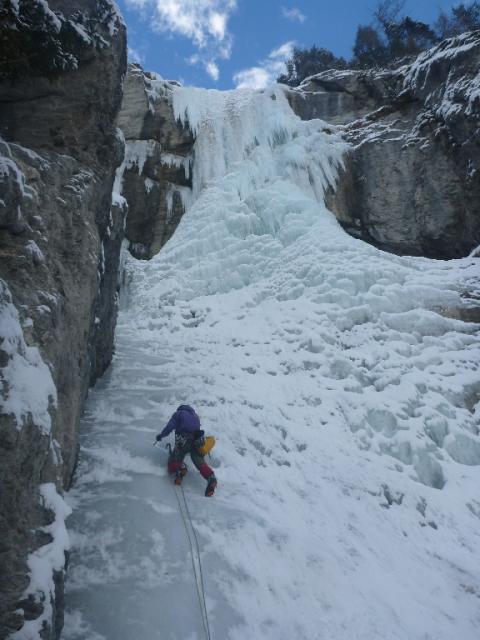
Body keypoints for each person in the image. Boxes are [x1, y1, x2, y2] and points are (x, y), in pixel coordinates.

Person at [156, 405, 217, 497]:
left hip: (183, 442)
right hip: (196, 442)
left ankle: (181, 467)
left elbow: (170, 426)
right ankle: (211, 477)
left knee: (174, 460)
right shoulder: (195, 416)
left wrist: (161, 436)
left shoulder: (179, 414)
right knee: (198, 460)